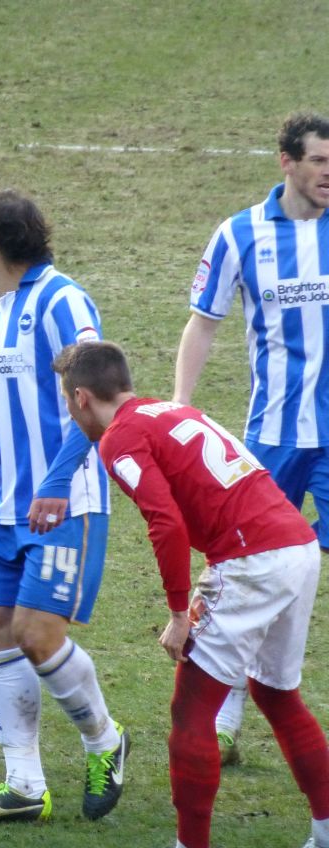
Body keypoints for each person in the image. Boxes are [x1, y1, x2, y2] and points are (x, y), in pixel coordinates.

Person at [54, 340, 329, 848]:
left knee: (191, 709)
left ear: (81, 397)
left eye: (67, 401)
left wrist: (180, 612)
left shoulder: (119, 440)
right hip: (296, 547)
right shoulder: (169, 410)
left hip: (251, 559)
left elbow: (167, 524)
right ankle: (326, 835)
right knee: (276, 694)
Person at [0, 188, 127, 823]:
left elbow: (102, 395)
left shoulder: (63, 300)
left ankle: (105, 740)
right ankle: (23, 784)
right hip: (3, 504)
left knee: (37, 635)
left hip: (67, 499)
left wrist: (52, 482)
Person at [173, 111, 329, 767]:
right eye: (320, 160)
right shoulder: (240, 234)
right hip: (271, 438)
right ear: (286, 162)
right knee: (239, 573)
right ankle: (228, 719)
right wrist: (179, 406)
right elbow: (203, 323)